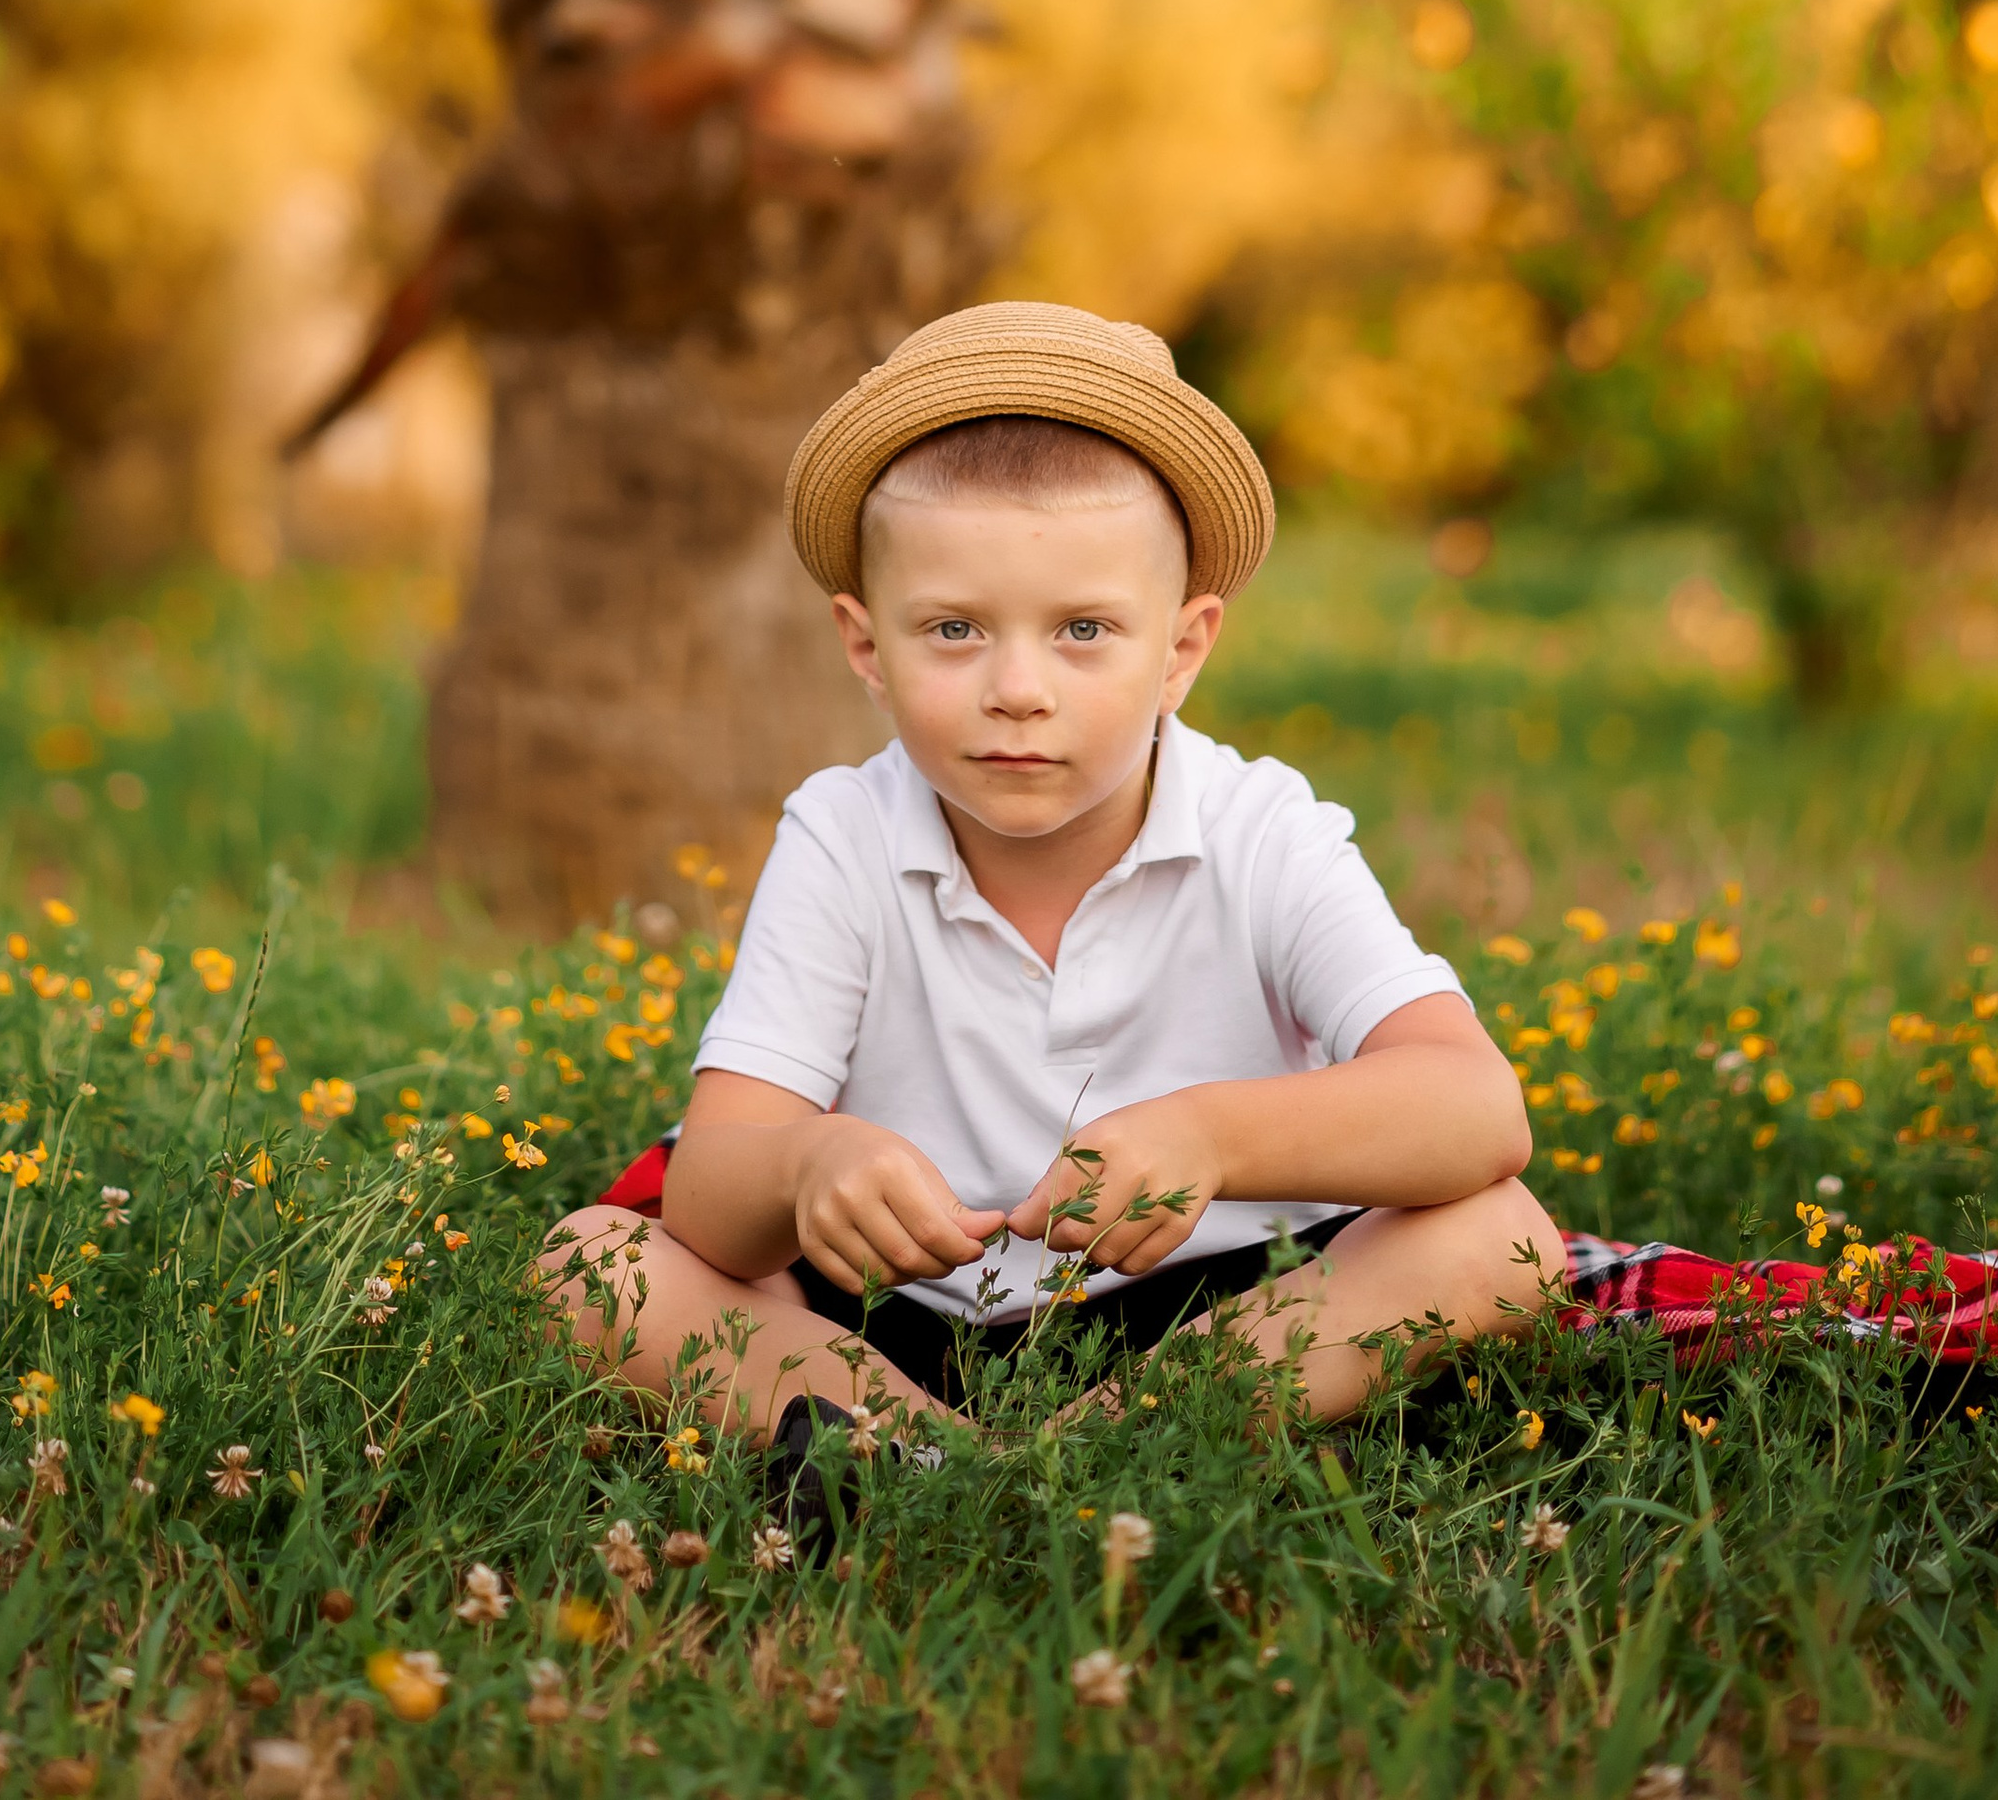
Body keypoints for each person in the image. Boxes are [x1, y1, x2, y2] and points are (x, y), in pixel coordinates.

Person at [542, 300, 1559, 1449]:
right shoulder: (844, 835)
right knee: (592, 1268)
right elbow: (713, 1200)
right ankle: (942, 1456)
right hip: (895, 1320)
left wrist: (1213, 1140)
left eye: (1082, 631)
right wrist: (811, 1161)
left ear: (1180, 650)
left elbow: (1475, 1109)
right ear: (865, 646)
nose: (1017, 688)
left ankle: (1092, 1454)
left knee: (1495, 1240)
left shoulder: (1258, 826)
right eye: (954, 631)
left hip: (1227, 1309)